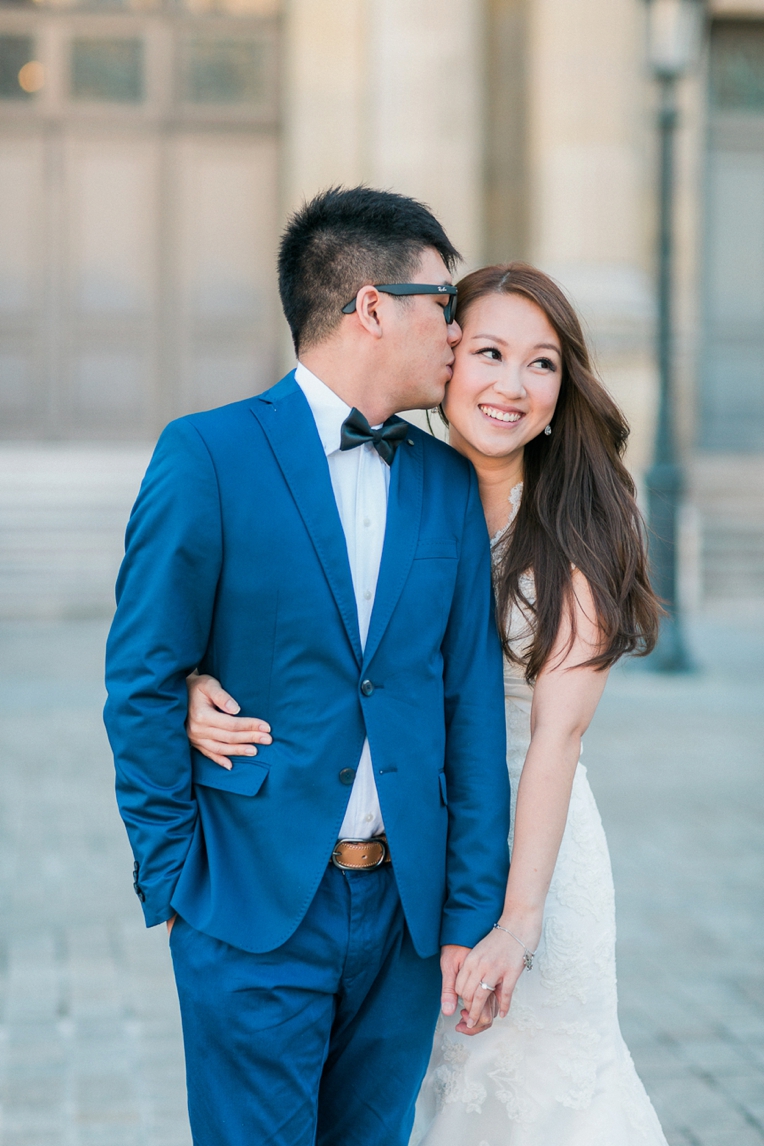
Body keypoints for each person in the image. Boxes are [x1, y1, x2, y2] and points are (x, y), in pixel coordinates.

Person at [186, 262, 670, 1144]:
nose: (511, 386)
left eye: (542, 365)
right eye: (487, 351)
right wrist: (193, 684)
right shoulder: (396, 482)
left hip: (536, 857)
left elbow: (555, 745)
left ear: (564, 392)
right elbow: (303, 635)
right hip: (416, 864)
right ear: (446, 358)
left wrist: (517, 926)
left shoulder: (581, 527)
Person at [103, 187, 511, 1146]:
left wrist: (465, 913)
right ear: (372, 306)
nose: (457, 331)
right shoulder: (206, 454)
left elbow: (470, 712)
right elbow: (144, 680)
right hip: (250, 910)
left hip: (406, 926)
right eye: (443, 304)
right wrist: (174, 883)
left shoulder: (449, 482)